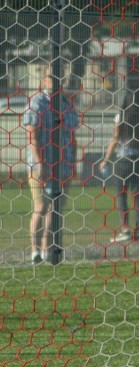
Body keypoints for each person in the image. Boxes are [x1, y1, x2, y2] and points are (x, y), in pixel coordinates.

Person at [22, 65, 79, 264]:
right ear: (43, 81)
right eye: (51, 78)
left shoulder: (67, 105)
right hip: (42, 166)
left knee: (55, 210)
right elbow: (33, 137)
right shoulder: (36, 104)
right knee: (41, 206)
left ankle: (48, 250)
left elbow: (73, 137)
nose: (55, 82)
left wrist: (73, 164)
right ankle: (35, 251)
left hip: (63, 166)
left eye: (59, 78)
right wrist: (41, 164)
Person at [100, 92, 139, 242]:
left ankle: (125, 229)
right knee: (138, 194)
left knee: (121, 193)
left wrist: (106, 159)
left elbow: (115, 138)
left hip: (124, 159)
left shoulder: (120, 116)